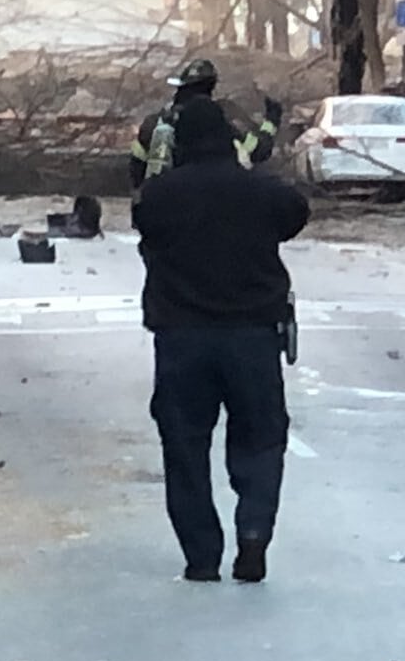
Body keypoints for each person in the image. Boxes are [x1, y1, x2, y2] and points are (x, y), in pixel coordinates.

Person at [133, 97, 310, 583]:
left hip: (181, 339)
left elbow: (145, 220)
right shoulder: (261, 192)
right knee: (260, 438)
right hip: (252, 337)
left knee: (184, 447)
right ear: (229, 140)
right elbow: (296, 212)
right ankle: (253, 531)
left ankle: (201, 555)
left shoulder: (161, 196)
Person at [129, 58, 283, 191]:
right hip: (208, 207)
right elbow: (258, 150)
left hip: (163, 210)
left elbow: (137, 168)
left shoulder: (155, 123)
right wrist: (272, 120)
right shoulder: (220, 124)